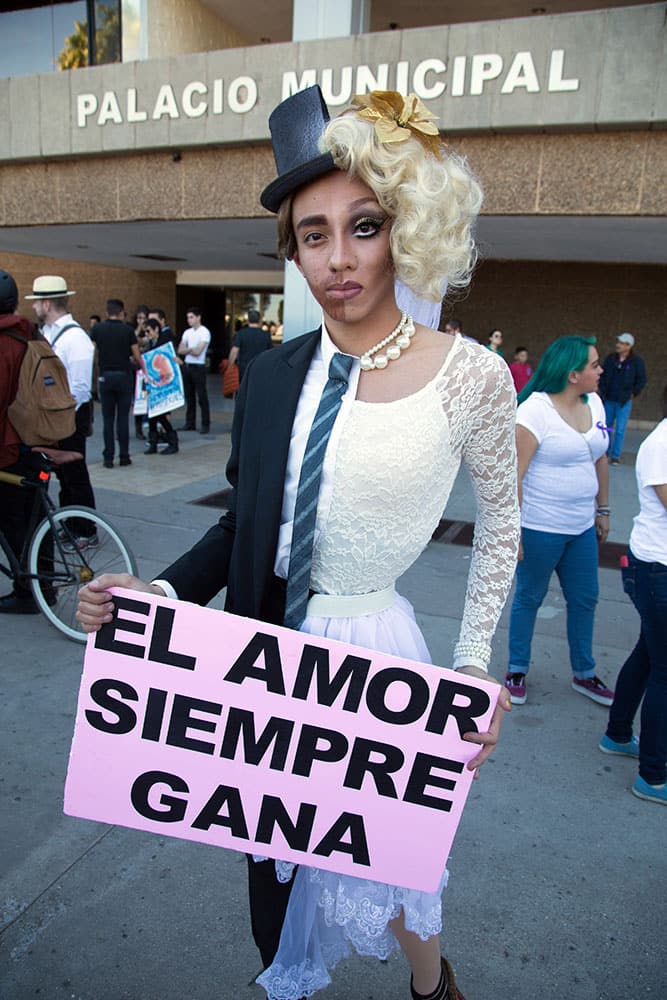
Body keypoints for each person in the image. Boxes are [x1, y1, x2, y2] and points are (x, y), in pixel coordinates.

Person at [76, 85, 519, 1000]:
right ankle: (286, 976)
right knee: (271, 854)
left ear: (404, 227)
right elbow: (246, 527)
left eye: (362, 226)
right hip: (259, 653)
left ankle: (433, 989)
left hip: (372, 651)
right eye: (312, 236)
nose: (338, 259)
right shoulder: (274, 374)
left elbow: (501, 530)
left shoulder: (470, 377)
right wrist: (153, 600)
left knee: (393, 860)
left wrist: (475, 668)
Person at [505, 335, 614, 708]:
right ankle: (516, 669)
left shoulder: (596, 404)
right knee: (529, 598)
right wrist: (513, 531)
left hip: (581, 526)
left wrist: (603, 509)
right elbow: (514, 474)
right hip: (540, 527)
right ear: (572, 375)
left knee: (585, 599)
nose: (601, 370)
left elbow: (600, 457)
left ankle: (584, 673)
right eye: (595, 365)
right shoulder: (534, 411)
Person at [599, 384, 667, 805]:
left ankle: (618, 733)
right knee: (663, 669)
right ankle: (653, 776)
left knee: (649, 655)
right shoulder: (662, 442)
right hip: (657, 569)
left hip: (655, 568)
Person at [26, 275, 97, 545]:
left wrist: (58, 418)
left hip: (69, 417)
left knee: (75, 475)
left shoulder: (76, 338)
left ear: (46, 303)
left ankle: (86, 529)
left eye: (35, 303)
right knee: (64, 477)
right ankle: (70, 524)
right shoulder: (49, 334)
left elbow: (79, 388)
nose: (33, 308)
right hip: (55, 418)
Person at [0, 270, 42, 613]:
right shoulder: (31, 335)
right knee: (35, 517)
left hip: (7, 445)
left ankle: (25, 590)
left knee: (13, 520)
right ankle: (41, 586)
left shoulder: (3, 342)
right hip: (37, 439)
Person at [90, 299, 142, 468]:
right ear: (121, 312)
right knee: (122, 418)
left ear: (107, 312)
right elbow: (137, 356)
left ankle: (108, 457)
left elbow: (91, 352)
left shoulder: (97, 329)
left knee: (107, 419)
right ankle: (124, 456)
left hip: (105, 376)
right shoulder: (128, 330)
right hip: (124, 377)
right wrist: (146, 372)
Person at [598, 332, 647, 465]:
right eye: (618, 342)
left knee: (620, 429)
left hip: (624, 401)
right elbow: (602, 374)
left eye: (621, 343)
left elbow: (641, 380)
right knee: (606, 426)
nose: (618, 345)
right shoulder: (610, 359)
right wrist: (603, 389)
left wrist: (633, 393)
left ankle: (615, 456)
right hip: (609, 399)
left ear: (628, 346)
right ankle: (604, 451)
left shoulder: (636, 362)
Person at [142, 317, 179, 455]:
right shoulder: (150, 344)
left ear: (156, 329)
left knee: (161, 414)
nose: (147, 334)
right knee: (153, 414)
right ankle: (153, 443)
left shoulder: (163, 343)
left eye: (148, 331)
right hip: (153, 384)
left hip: (163, 383)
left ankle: (172, 441)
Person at [178, 306, 211, 433]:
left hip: (198, 367)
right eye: (188, 318)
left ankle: (205, 423)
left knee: (202, 396)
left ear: (198, 317)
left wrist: (189, 350)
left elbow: (198, 351)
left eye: (191, 317)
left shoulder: (204, 332)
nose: (189, 320)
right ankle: (190, 422)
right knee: (189, 396)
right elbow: (180, 350)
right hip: (188, 366)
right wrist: (191, 350)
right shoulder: (187, 332)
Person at [228, 307, 273, 382]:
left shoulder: (241, 334)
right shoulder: (266, 335)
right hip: (261, 367)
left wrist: (229, 366)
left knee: (244, 389)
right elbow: (271, 352)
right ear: (259, 320)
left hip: (244, 368)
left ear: (248, 320)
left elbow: (234, 351)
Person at [132, 305, 150, 440]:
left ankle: (147, 425)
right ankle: (138, 427)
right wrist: (138, 329)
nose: (141, 321)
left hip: (147, 369)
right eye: (139, 318)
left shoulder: (150, 331)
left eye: (144, 318)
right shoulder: (133, 331)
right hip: (136, 370)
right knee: (138, 399)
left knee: (146, 399)